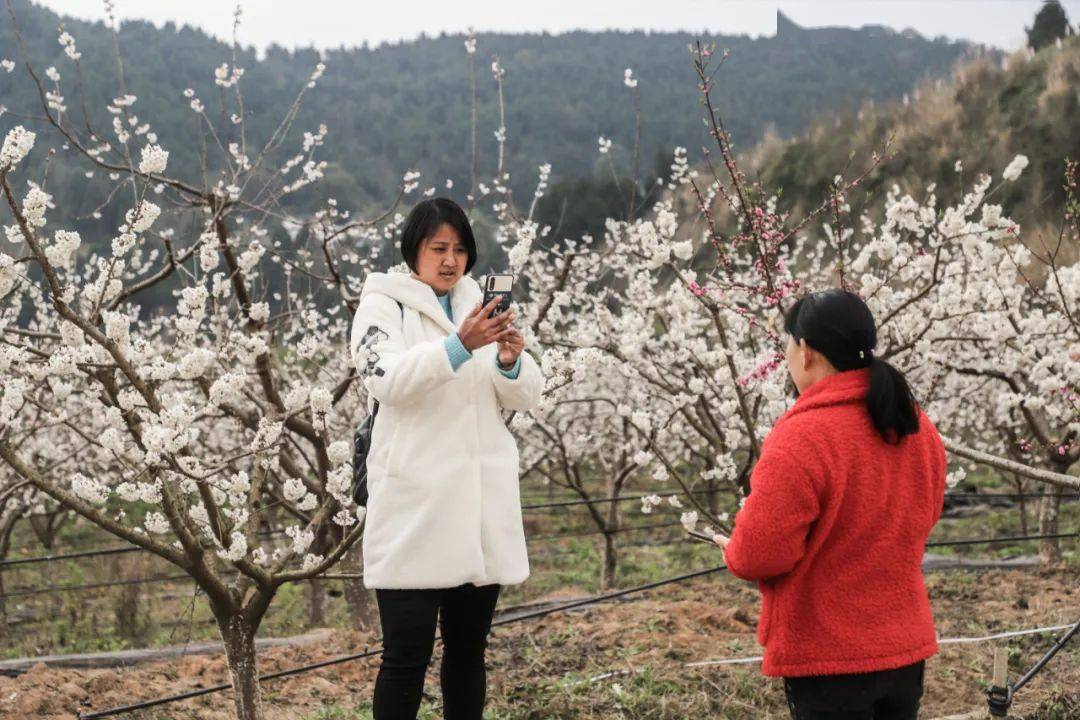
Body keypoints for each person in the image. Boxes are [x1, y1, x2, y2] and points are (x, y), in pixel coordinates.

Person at [350, 197, 544, 720]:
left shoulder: (477, 306)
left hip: (477, 507)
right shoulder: (382, 305)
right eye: (438, 247)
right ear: (413, 250)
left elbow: (526, 396)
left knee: (467, 654)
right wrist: (459, 346)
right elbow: (385, 380)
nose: (450, 259)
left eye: (460, 249)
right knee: (404, 659)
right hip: (416, 509)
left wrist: (508, 359)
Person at [714, 289, 947, 720]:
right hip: (904, 646)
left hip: (828, 656)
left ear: (805, 351)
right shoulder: (913, 423)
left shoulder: (801, 436)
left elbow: (759, 554)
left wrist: (733, 542)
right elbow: (924, 515)